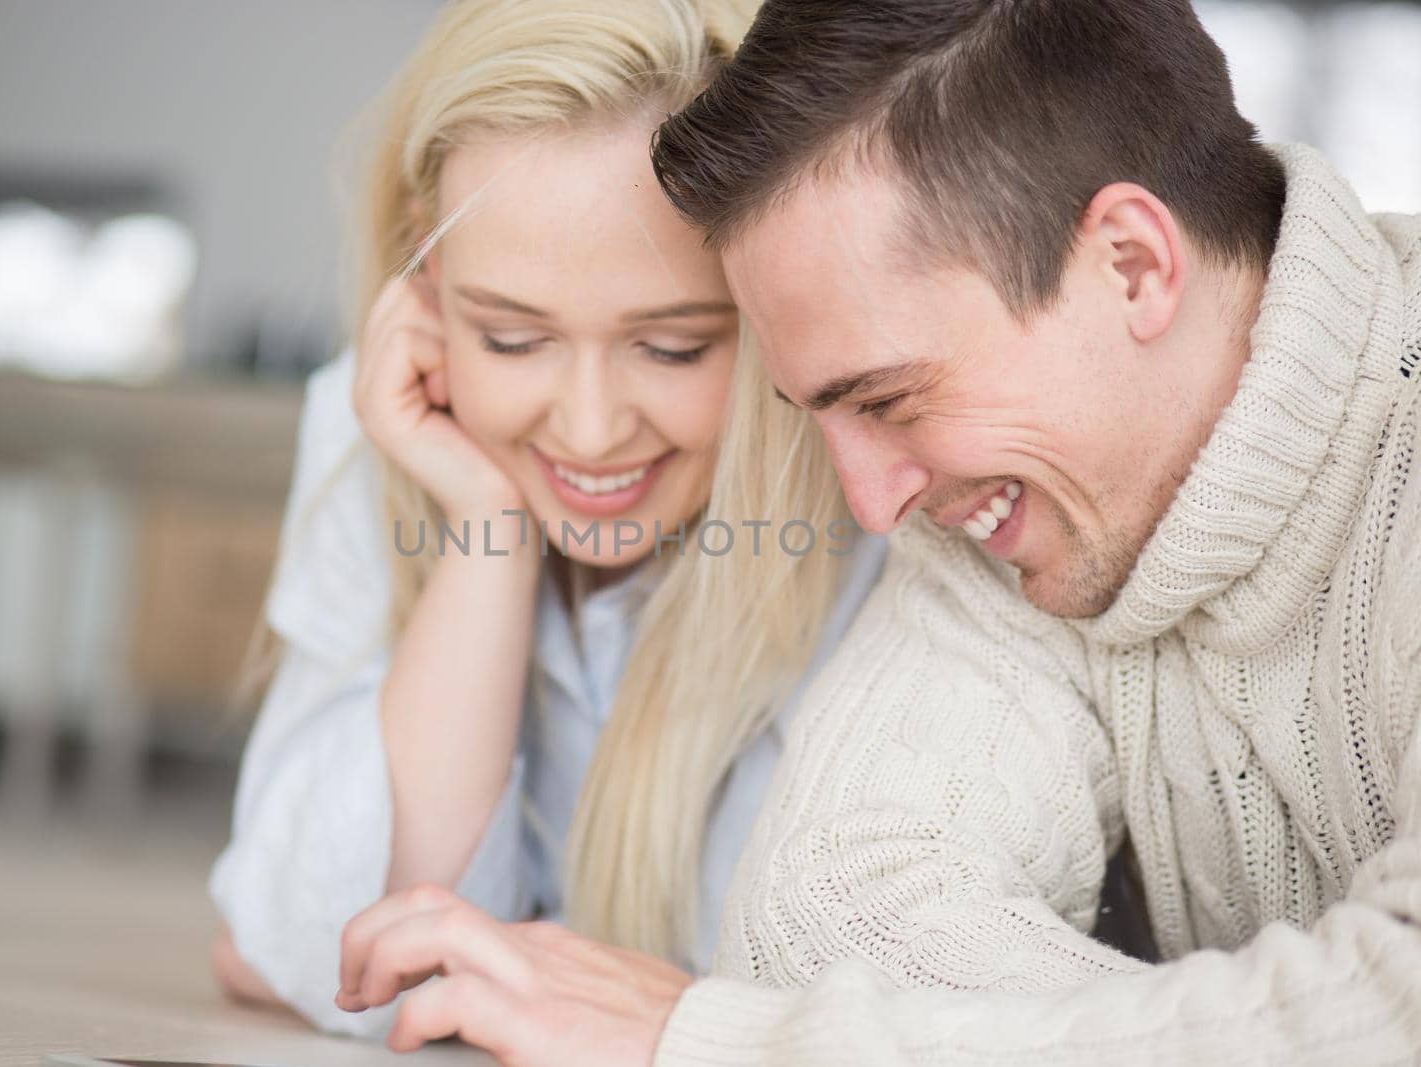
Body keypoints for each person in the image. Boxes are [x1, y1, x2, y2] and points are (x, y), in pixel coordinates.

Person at [331, 1, 1421, 1064]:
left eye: (891, 400)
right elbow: (823, 921)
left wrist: (710, 1042)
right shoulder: (1022, 517)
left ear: (1132, 264)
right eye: (823, 414)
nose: (869, 504)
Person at [206, 0, 889, 1039]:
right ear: (425, 287)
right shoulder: (382, 415)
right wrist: (486, 529)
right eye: (512, 339)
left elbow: (837, 975)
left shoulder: (874, 486)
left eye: (671, 348)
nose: (588, 427)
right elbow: (343, 954)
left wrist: (465, 950)